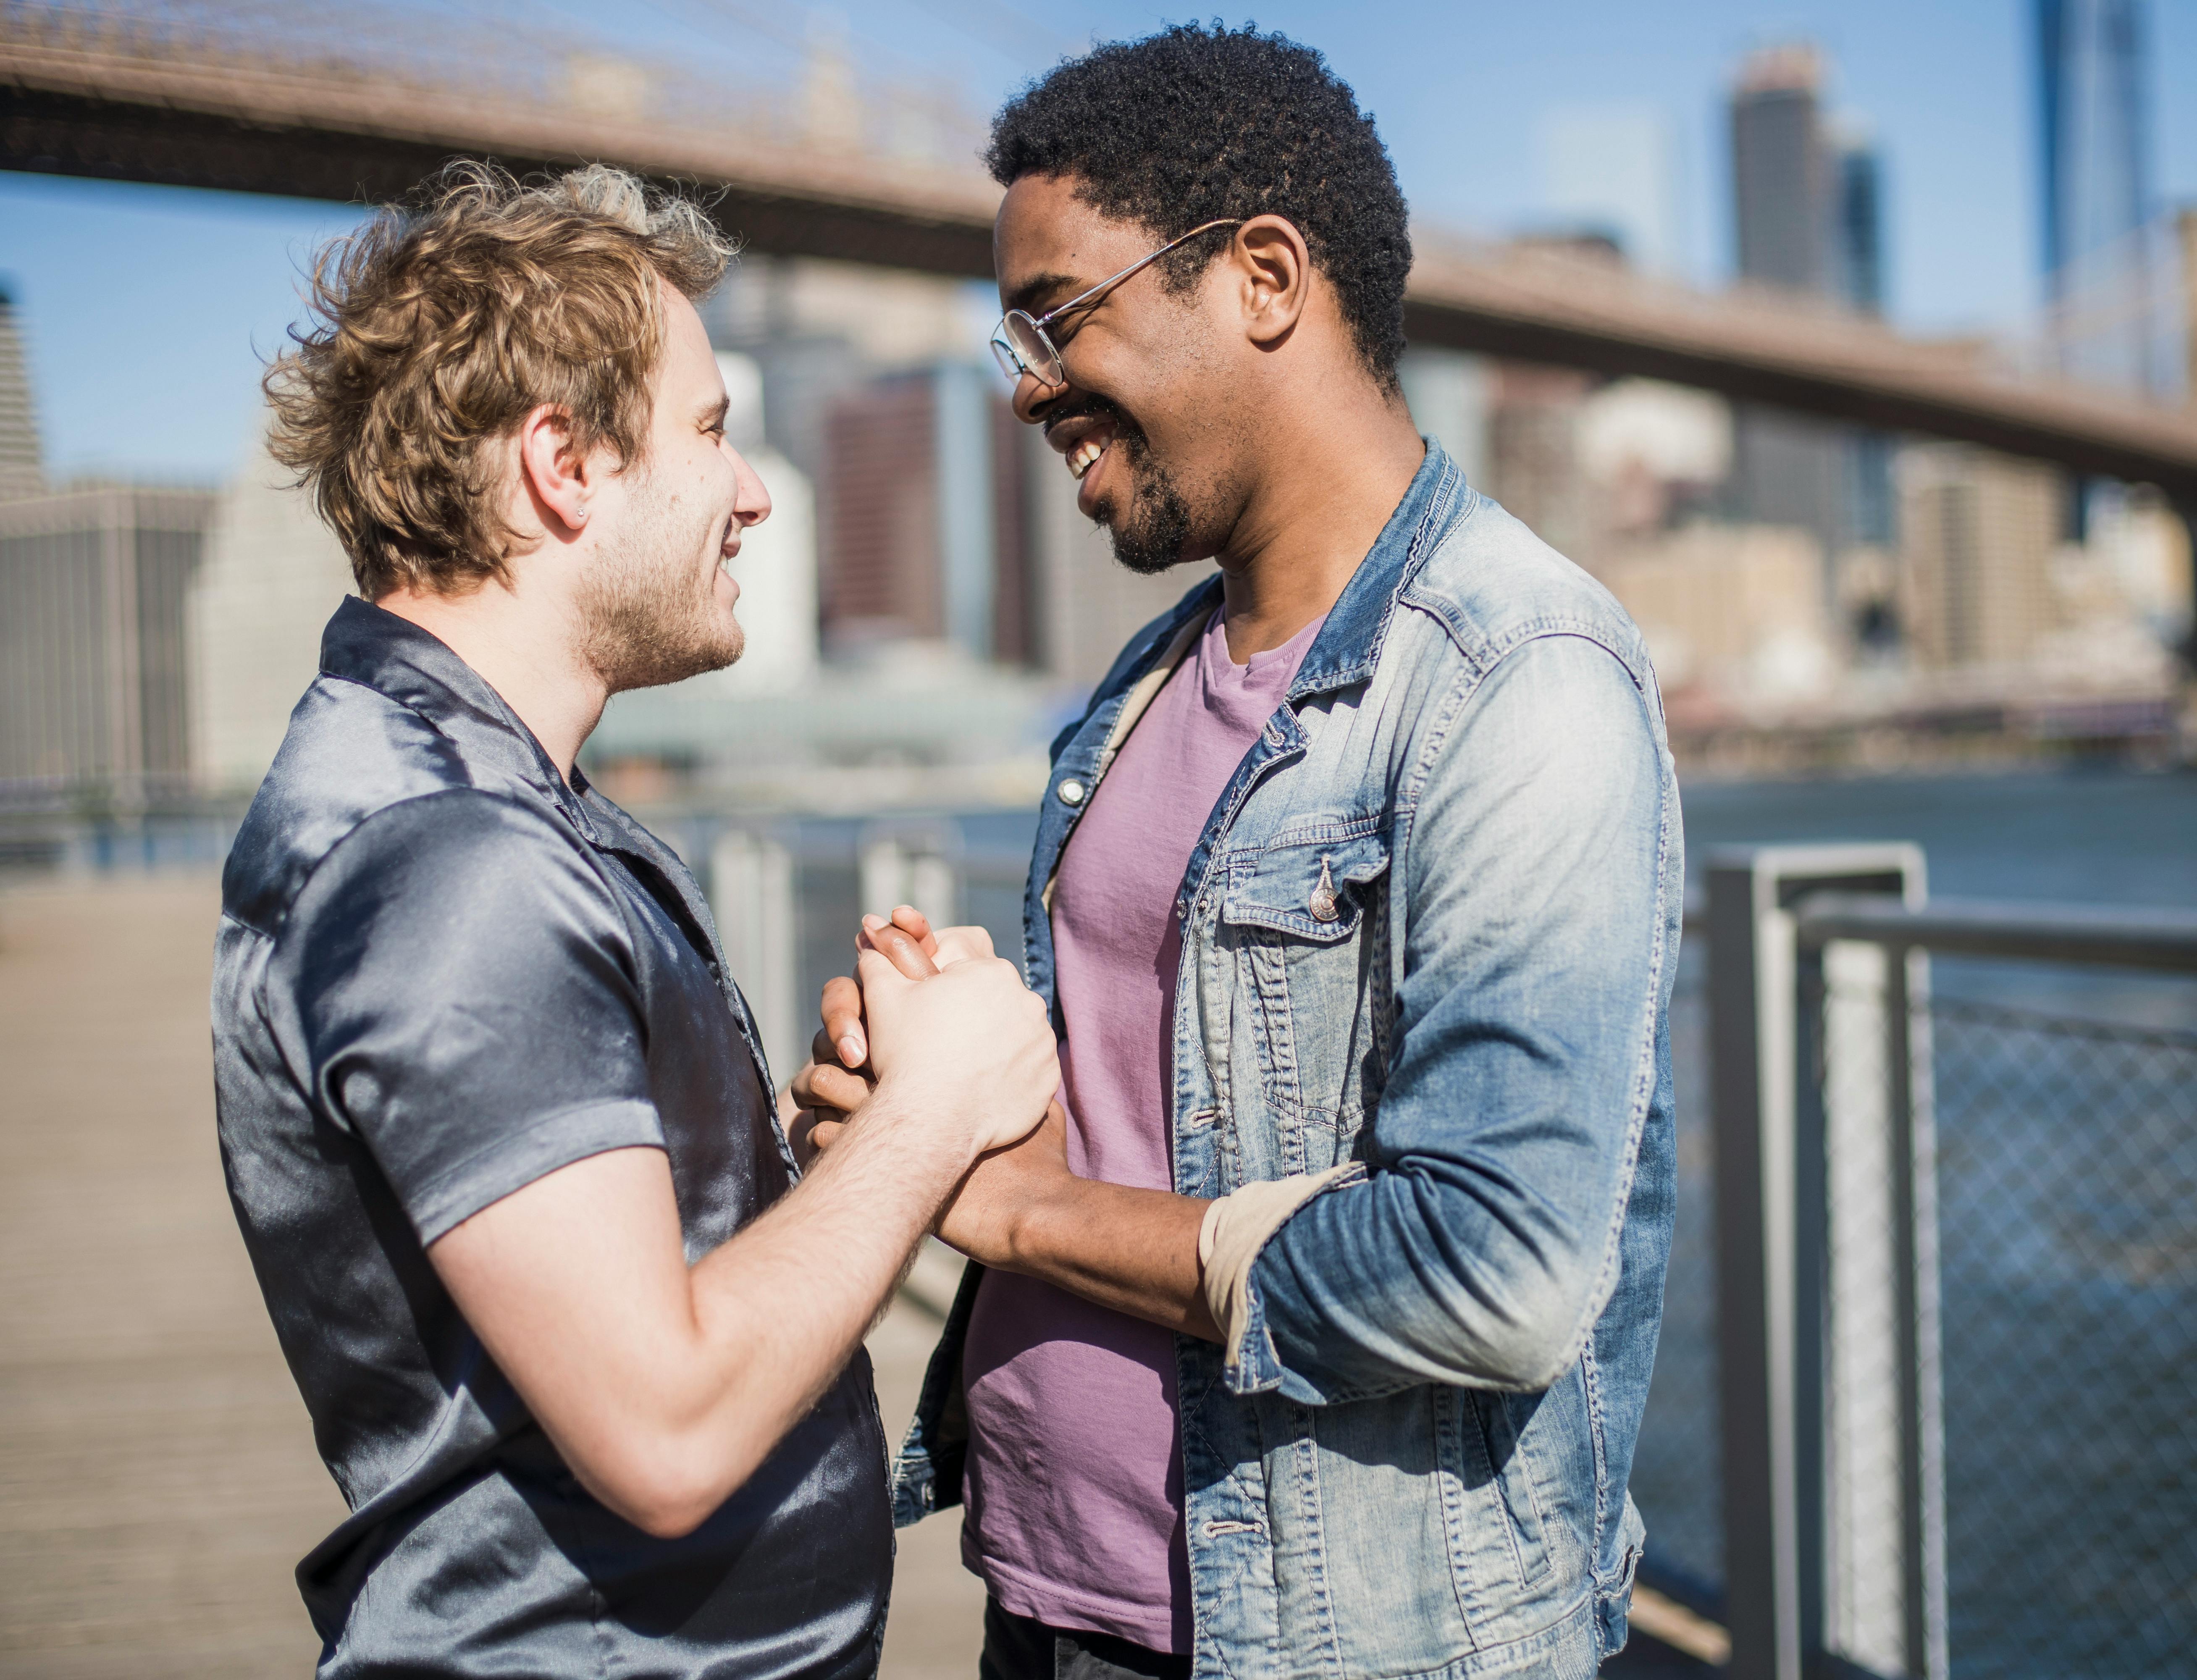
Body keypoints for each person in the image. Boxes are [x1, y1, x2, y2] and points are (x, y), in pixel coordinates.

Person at [798, 25, 1685, 1680]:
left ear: (1262, 276)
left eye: (1058, 314)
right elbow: (1173, 1101)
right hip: (1056, 1608)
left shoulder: (1521, 678)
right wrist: (942, 1088)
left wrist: (1018, 1211)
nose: (1026, 381)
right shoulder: (1141, 689)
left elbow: (1492, 1266)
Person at [210, 163, 1057, 1678]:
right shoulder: (451, 858)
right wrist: (939, 1112)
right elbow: (661, 1428)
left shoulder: (482, 792)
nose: (752, 490)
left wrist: (811, 1151)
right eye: (716, 432)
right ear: (565, 465)